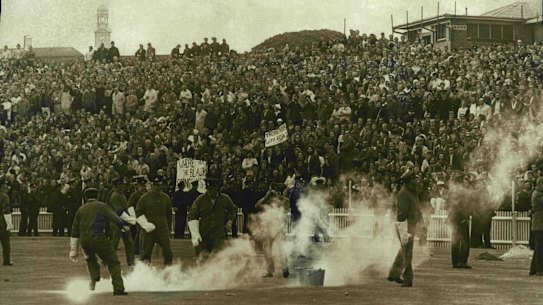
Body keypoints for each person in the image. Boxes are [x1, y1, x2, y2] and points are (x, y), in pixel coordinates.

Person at [69, 187, 131, 295]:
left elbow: (74, 230)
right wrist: (123, 226)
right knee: (113, 262)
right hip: (98, 238)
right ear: (98, 196)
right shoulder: (102, 206)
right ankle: (118, 288)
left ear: (85, 197)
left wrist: (74, 250)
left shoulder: (81, 209)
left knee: (91, 259)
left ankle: (93, 283)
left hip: (84, 240)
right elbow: (114, 218)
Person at [188, 177, 238, 255]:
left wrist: (230, 221)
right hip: (204, 233)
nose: (210, 192)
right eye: (209, 189)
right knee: (203, 258)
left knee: (217, 257)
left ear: (217, 189)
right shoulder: (200, 200)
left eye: (213, 189)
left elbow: (233, 209)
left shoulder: (225, 199)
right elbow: (192, 215)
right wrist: (195, 233)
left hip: (219, 233)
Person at [387, 170, 420, 287]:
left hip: (410, 225)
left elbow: (416, 208)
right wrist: (403, 232)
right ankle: (408, 278)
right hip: (405, 226)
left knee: (404, 251)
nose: (417, 180)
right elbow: (401, 215)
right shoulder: (403, 194)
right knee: (407, 253)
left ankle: (394, 274)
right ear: (409, 181)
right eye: (415, 179)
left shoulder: (411, 192)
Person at [252, 183, 289, 277]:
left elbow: (286, 209)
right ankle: (270, 271)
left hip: (278, 226)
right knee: (267, 249)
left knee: (281, 248)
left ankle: (285, 269)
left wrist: (276, 199)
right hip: (267, 226)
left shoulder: (284, 199)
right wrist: (266, 197)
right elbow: (256, 205)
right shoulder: (266, 199)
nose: (273, 191)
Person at [135, 176, 173, 265]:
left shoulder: (165, 198)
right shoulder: (144, 198)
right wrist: (145, 225)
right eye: (155, 185)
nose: (156, 187)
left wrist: (169, 228)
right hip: (148, 230)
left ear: (162, 186)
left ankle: (169, 271)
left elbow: (169, 214)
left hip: (162, 229)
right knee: (145, 253)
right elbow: (139, 213)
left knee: (168, 252)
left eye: (158, 185)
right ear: (152, 185)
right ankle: (145, 273)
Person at [108, 178, 135, 266]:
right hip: (117, 222)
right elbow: (119, 210)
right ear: (117, 185)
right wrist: (130, 220)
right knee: (115, 242)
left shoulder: (120, 194)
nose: (124, 186)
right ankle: (108, 260)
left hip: (122, 221)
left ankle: (131, 261)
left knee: (128, 242)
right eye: (122, 184)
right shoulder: (115, 195)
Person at [448, 175, 473, 269]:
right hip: (460, 219)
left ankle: (455, 262)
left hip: (454, 218)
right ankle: (462, 261)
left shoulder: (454, 192)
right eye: (463, 180)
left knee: (455, 241)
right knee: (465, 240)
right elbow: (462, 206)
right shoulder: (460, 192)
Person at [127, 175, 146, 255]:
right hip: (137, 216)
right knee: (137, 233)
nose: (142, 187)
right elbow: (130, 206)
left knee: (141, 233)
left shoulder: (145, 194)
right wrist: (133, 216)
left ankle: (140, 248)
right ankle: (136, 249)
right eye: (141, 186)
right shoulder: (134, 195)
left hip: (143, 216)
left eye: (143, 186)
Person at [530, 177, 543, 276]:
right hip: (539, 223)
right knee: (539, 247)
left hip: (539, 223)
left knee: (538, 247)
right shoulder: (537, 194)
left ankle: (535, 269)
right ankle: (538, 269)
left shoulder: (537, 193)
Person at [0, 179, 13, 266]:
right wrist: (9, 223)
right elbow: (6, 210)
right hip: (2, 222)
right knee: (6, 243)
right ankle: (6, 260)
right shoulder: (4, 196)